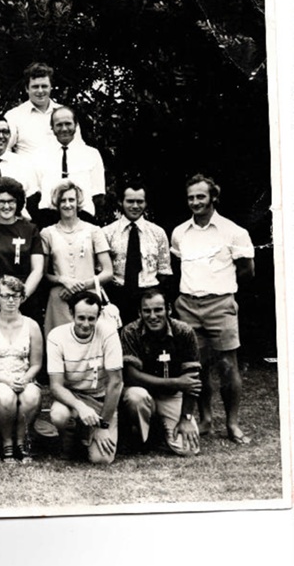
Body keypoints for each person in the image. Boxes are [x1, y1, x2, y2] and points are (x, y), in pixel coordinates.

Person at [171, 173, 255, 445]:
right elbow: (178, 267)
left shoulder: (234, 231)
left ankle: (232, 424)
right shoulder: (179, 232)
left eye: (201, 197)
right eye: (191, 197)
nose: (195, 202)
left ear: (213, 198)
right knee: (197, 367)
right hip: (187, 306)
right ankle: (205, 419)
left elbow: (247, 270)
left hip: (221, 304)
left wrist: (219, 289)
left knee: (228, 366)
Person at [120, 288, 202, 456]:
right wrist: (176, 382)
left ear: (169, 310)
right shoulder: (130, 332)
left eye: (158, 310)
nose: (152, 316)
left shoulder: (184, 332)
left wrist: (186, 417)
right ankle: (145, 437)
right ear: (139, 312)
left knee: (188, 450)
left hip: (172, 395)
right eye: (146, 311)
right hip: (144, 392)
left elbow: (192, 380)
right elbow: (131, 375)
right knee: (136, 397)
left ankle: (162, 430)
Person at [47, 291, 123, 464]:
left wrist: (103, 425)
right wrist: (80, 406)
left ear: (98, 316)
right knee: (59, 414)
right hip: (72, 398)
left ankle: (93, 435)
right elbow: (56, 386)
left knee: (101, 460)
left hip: (100, 398)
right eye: (81, 318)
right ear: (71, 314)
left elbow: (116, 383)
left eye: (92, 318)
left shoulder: (109, 333)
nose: (86, 324)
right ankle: (71, 441)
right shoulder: (56, 336)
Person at [0, 275, 43, 462]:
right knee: (6, 396)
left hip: (23, 377)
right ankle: (6, 443)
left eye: (15, 295)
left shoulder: (32, 325)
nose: (10, 300)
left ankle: (21, 443)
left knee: (32, 396)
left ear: (22, 297)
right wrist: (6, 381)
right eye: (5, 296)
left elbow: (36, 363)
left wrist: (25, 379)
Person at [41, 180, 113, 336]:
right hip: (60, 299)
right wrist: (63, 280)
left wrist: (81, 286)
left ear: (78, 202)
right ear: (57, 203)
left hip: (89, 299)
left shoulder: (93, 231)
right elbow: (43, 274)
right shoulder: (47, 233)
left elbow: (108, 272)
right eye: (63, 200)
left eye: (71, 200)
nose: (67, 205)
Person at [0, 177, 44, 322]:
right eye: (1, 202)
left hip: (25, 300)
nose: (6, 206)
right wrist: (2, 298)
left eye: (11, 201)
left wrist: (20, 297)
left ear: (18, 203)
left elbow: (37, 269)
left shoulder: (31, 230)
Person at [103, 181, 172, 324]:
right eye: (130, 201)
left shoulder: (158, 233)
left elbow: (164, 271)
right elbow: (101, 270)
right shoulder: (107, 233)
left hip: (149, 297)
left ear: (146, 203)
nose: (135, 206)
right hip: (118, 296)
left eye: (140, 201)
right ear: (120, 202)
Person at [33, 106, 106, 228]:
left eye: (68, 124)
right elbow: (34, 193)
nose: (64, 129)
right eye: (59, 125)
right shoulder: (39, 155)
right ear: (52, 127)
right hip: (48, 219)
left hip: (84, 218)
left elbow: (98, 195)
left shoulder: (91, 154)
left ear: (76, 125)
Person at [5, 62, 82, 160]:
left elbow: (78, 148)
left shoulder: (66, 114)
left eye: (44, 86)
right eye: (35, 87)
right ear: (27, 89)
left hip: (62, 173)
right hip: (27, 174)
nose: (40, 91)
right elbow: (4, 151)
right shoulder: (14, 116)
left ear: (51, 87)